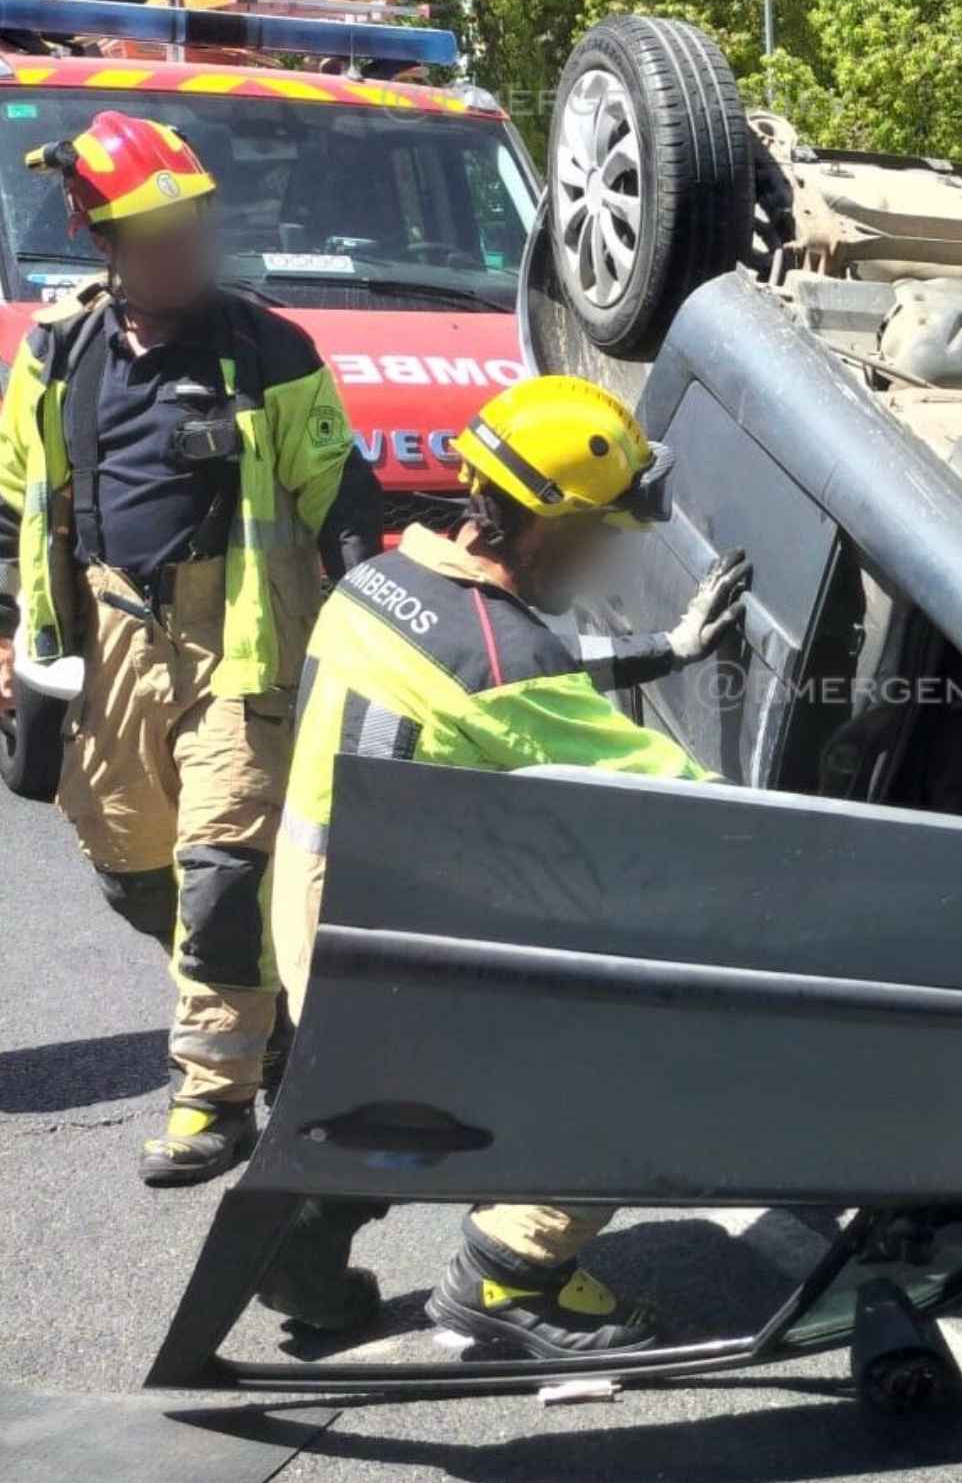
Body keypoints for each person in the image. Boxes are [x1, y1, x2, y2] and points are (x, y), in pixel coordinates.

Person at [253, 372, 748, 1358]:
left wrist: (666, 648)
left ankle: (303, 1247)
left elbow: (502, 665)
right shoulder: (499, 668)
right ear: (553, 525)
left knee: (382, 1086)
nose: (617, 548)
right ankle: (513, 1274)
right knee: (663, 1038)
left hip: (328, 907)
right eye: (610, 529)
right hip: (392, 955)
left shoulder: (383, 581)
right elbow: (695, 805)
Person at [0, 111, 381, 1184]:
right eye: (159, 232)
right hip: (110, 643)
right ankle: (265, 1014)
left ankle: (212, 1098)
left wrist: (373, 625)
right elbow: (13, 499)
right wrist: (12, 631)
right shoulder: (56, 350)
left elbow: (341, 499)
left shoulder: (269, 348)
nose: (186, 249)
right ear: (102, 239)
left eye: (196, 225)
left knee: (223, 869)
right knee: (132, 871)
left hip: (242, 644)